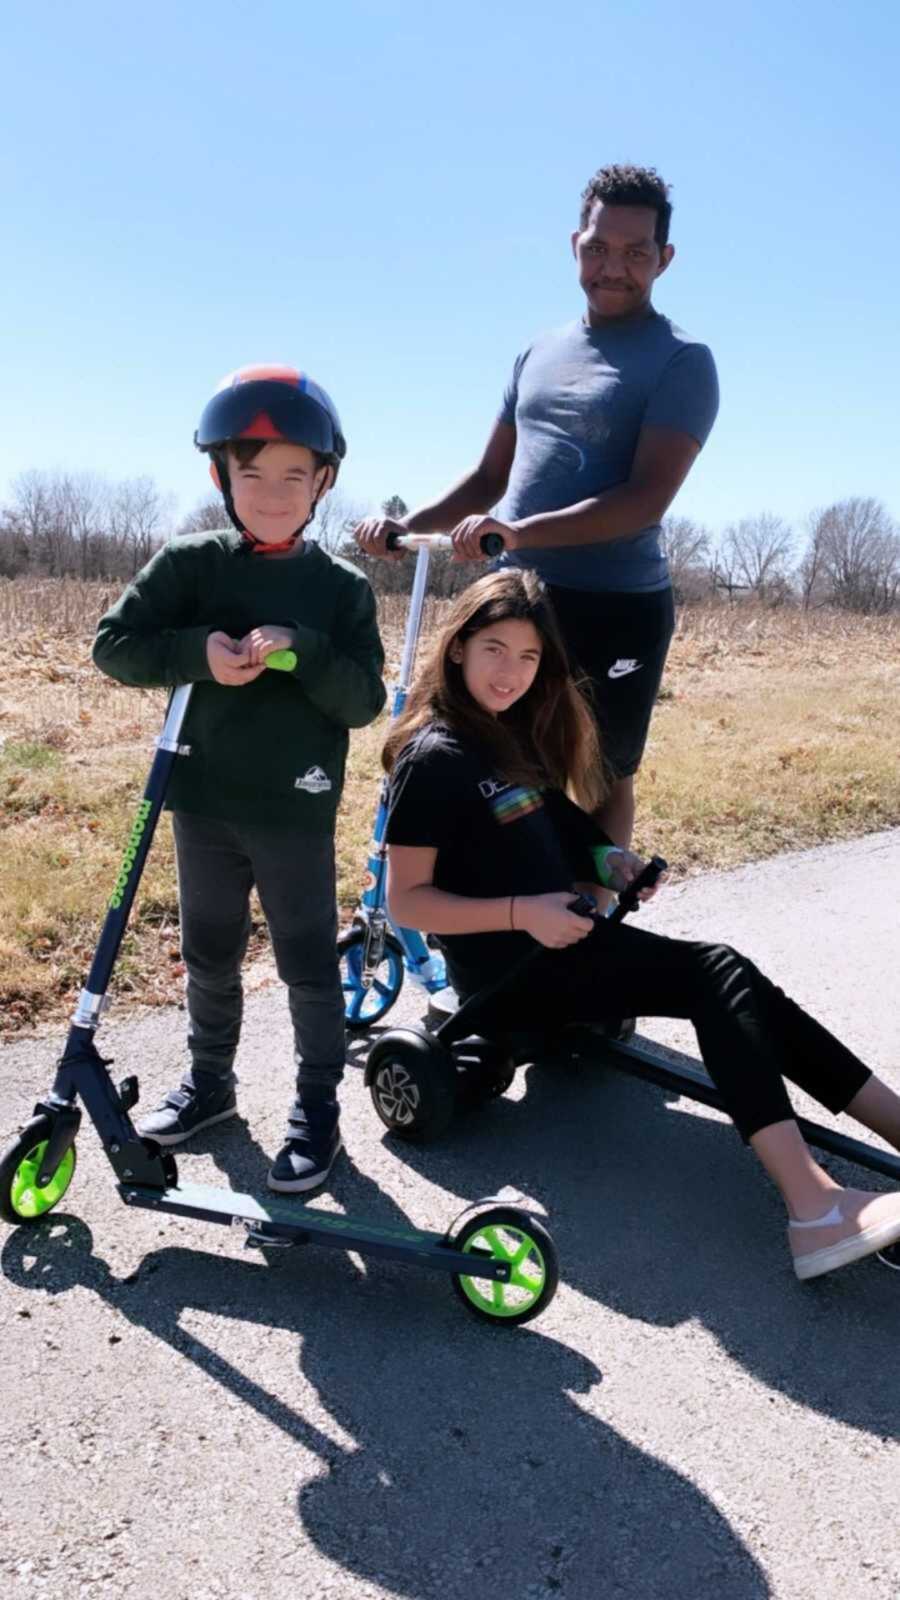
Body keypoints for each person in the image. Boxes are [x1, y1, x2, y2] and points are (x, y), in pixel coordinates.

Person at [382, 569, 900, 1280]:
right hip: (509, 973)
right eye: (496, 649)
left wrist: (612, 860)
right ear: (459, 647)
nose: (512, 672)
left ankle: (889, 1127)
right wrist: (521, 912)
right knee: (713, 974)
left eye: (530, 658)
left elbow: (563, 830)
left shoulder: (504, 737)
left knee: (728, 977)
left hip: (560, 943)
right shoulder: (434, 758)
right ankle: (813, 1207)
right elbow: (404, 902)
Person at [357, 162, 719, 856]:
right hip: (521, 598)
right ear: (575, 245)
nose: (615, 267)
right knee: (490, 756)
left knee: (600, 775)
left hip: (616, 604)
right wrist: (411, 526)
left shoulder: (682, 361)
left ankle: (598, 918)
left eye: (637, 252)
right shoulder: (538, 351)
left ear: (664, 259)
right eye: (599, 248)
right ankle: (504, 906)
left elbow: (644, 500)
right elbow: (492, 476)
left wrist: (518, 531)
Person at [93, 365, 386, 1192]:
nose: (272, 492)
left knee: (305, 963)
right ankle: (211, 1086)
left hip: (293, 809)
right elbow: (113, 645)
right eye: (251, 473)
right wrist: (198, 656)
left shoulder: (340, 589)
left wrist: (303, 651)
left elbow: (363, 700)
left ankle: (317, 1106)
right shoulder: (190, 566)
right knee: (209, 952)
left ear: (324, 481)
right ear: (220, 476)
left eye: (295, 474)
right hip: (200, 801)